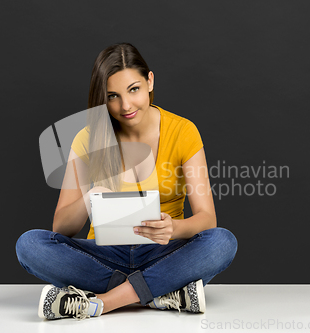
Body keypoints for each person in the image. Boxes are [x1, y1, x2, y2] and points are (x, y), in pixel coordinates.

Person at [15, 42, 238, 321]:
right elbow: (61, 228)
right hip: (103, 256)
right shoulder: (88, 138)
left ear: (150, 82)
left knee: (222, 242)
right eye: (113, 96)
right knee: (29, 245)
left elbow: (207, 219)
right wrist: (89, 197)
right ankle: (160, 293)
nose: (126, 105)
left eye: (134, 89)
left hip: (163, 252)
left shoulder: (183, 131)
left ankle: (104, 302)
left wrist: (174, 227)